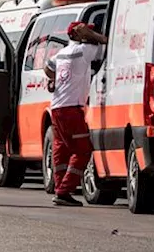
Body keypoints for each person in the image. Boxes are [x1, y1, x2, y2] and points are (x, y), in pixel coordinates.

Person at [44, 21, 108, 207]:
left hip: (57, 108)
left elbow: (47, 67)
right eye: (86, 29)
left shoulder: (62, 52)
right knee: (83, 151)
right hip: (72, 108)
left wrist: (54, 79)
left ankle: (59, 189)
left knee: (61, 149)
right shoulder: (83, 50)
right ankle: (64, 191)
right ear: (77, 34)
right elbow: (106, 41)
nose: (91, 31)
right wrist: (90, 34)